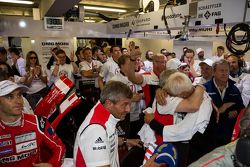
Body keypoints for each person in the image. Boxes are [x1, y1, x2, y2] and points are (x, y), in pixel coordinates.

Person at [73, 81, 142, 167]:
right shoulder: (96, 130)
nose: (128, 110)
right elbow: (100, 136)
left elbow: (108, 138)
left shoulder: (103, 112)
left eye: (129, 104)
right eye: (124, 105)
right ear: (109, 103)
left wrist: (125, 141)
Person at [0, 80, 65, 167]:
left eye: (19, 95)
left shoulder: (38, 123)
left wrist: (52, 164)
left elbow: (59, 147)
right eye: (10, 97)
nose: (18, 101)